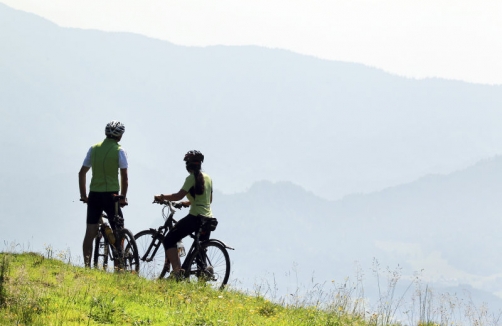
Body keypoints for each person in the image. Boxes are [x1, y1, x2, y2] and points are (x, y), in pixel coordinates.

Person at [153, 150, 213, 277]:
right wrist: (188, 202)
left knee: (169, 239)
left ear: (188, 165)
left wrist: (162, 197)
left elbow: (178, 196)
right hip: (208, 219)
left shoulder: (191, 178)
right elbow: (208, 200)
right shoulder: (208, 178)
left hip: (195, 218)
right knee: (200, 248)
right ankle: (203, 272)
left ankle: (177, 272)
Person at [78, 120, 128, 267]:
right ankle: (119, 268)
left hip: (94, 194)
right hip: (111, 196)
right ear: (120, 136)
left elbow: (82, 173)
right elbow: (124, 176)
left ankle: (87, 266)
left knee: (90, 232)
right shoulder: (120, 151)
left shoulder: (93, 149)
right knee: (119, 230)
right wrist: (123, 197)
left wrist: (83, 195)